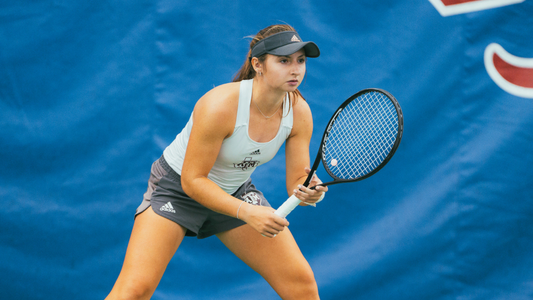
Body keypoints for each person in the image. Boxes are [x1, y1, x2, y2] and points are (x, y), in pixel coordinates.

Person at [105, 24, 327, 300]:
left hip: (235, 191)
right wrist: (246, 213)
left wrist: (310, 192)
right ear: (257, 64)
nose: (295, 69)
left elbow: (297, 181)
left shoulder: (299, 112)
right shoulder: (219, 106)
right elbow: (192, 181)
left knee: (301, 285)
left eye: (301, 61)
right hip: (178, 189)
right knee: (134, 291)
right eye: (283, 60)